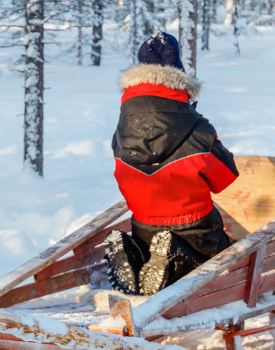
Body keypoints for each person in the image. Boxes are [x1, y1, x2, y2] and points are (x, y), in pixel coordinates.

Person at [107, 32, 239, 296]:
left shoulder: (123, 129)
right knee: (218, 260)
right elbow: (225, 178)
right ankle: (173, 257)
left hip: (143, 225)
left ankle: (136, 256)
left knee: (150, 246)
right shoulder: (196, 127)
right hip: (196, 227)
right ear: (179, 76)